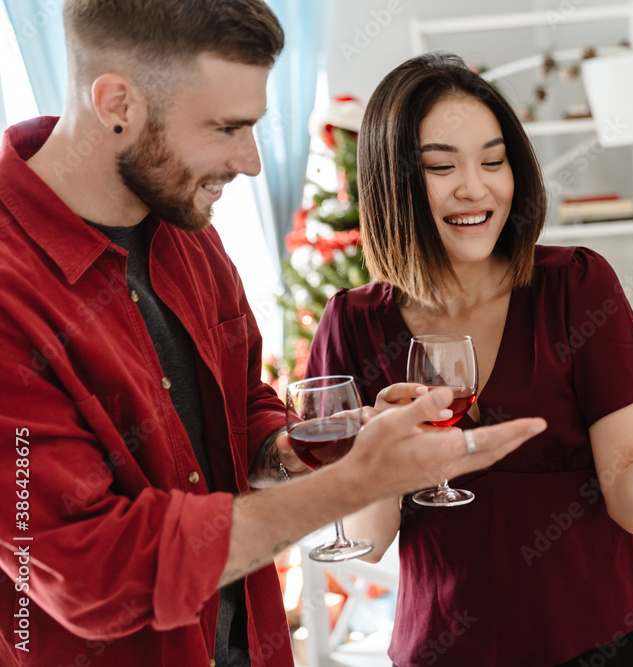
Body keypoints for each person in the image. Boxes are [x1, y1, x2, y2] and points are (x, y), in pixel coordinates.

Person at [0, 4, 544, 666]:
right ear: (117, 102)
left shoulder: (189, 235)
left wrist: (315, 446)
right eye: (227, 128)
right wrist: (354, 484)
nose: (252, 162)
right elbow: (94, 573)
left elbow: (241, 410)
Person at [305, 52, 633, 667]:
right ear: (393, 182)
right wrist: (382, 462)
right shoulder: (354, 322)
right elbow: (365, 543)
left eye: (494, 161)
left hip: (597, 641)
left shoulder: (575, 286)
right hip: (447, 647)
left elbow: (629, 502)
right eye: (442, 166)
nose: (477, 187)